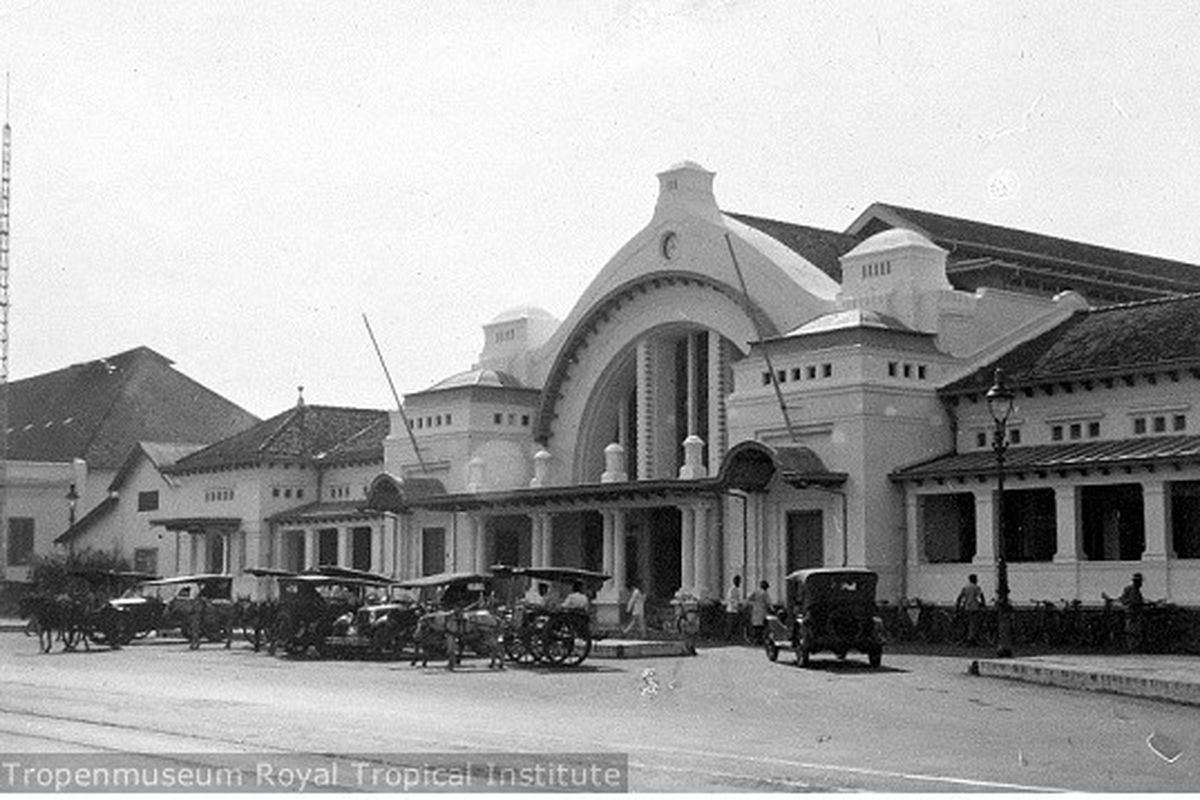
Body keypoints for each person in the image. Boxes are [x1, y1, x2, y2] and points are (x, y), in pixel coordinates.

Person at [955, 574, 986, 646]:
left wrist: (958, 606)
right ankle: (971, 639)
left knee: (967, 623)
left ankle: (966, 638)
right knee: (974, 623)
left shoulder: (965, 587)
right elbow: (981, 596)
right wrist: (983, 604)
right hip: (975, 607)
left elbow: (960, 597)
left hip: (967, 607)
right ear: (975, 579)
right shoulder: (976, 587)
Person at [1118, 572, 1146, 652]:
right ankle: (1131, 648)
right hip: (1131, 613)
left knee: (1136, 631)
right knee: (1131, 632)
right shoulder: (1129, 589)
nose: (1141, 584)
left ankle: (1134, 647)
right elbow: (1123, 599)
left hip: (1136, 613)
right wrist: (1130, 604)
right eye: (1140, 582)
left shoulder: (1137, 591)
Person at [748, 580, 771, 645]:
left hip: (755, 610)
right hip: (762, 611)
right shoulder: (765, 593)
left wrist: (753, 604)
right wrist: (772, 609)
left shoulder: (756, 592)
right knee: (761, 627)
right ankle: (759, 640)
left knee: (755, 626)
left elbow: (749, 599)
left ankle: (755, 640)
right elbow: (768, 603)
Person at [725, 575, 744, 643]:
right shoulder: (732, 589)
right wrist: (737, 604)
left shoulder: (737, 590)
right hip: (731, 610)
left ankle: (733, 638)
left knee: (735, 625)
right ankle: (728, 638)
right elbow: (731, 599)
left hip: (735, 610)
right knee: (730, 625)